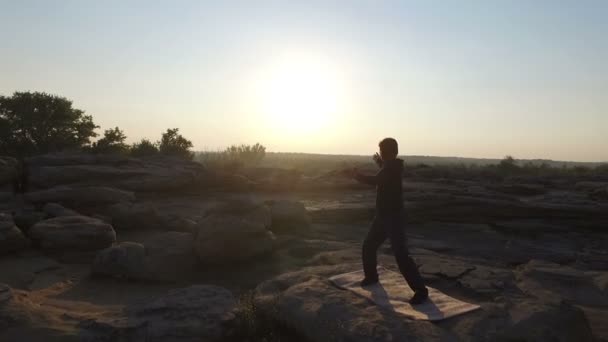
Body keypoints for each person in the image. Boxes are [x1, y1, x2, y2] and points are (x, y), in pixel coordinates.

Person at [347, 138, 428, 305]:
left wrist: (356, 176)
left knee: (401, 254)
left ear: (387, 152)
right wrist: (379, 163)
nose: (381, 154)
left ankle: (421, 291)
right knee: (369, 245)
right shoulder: (392, 165)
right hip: (383, 216)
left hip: (393, 217)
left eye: (382, 151)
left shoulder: (391, 168)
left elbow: (375, 180)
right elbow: (384, 172)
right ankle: (371, 277)